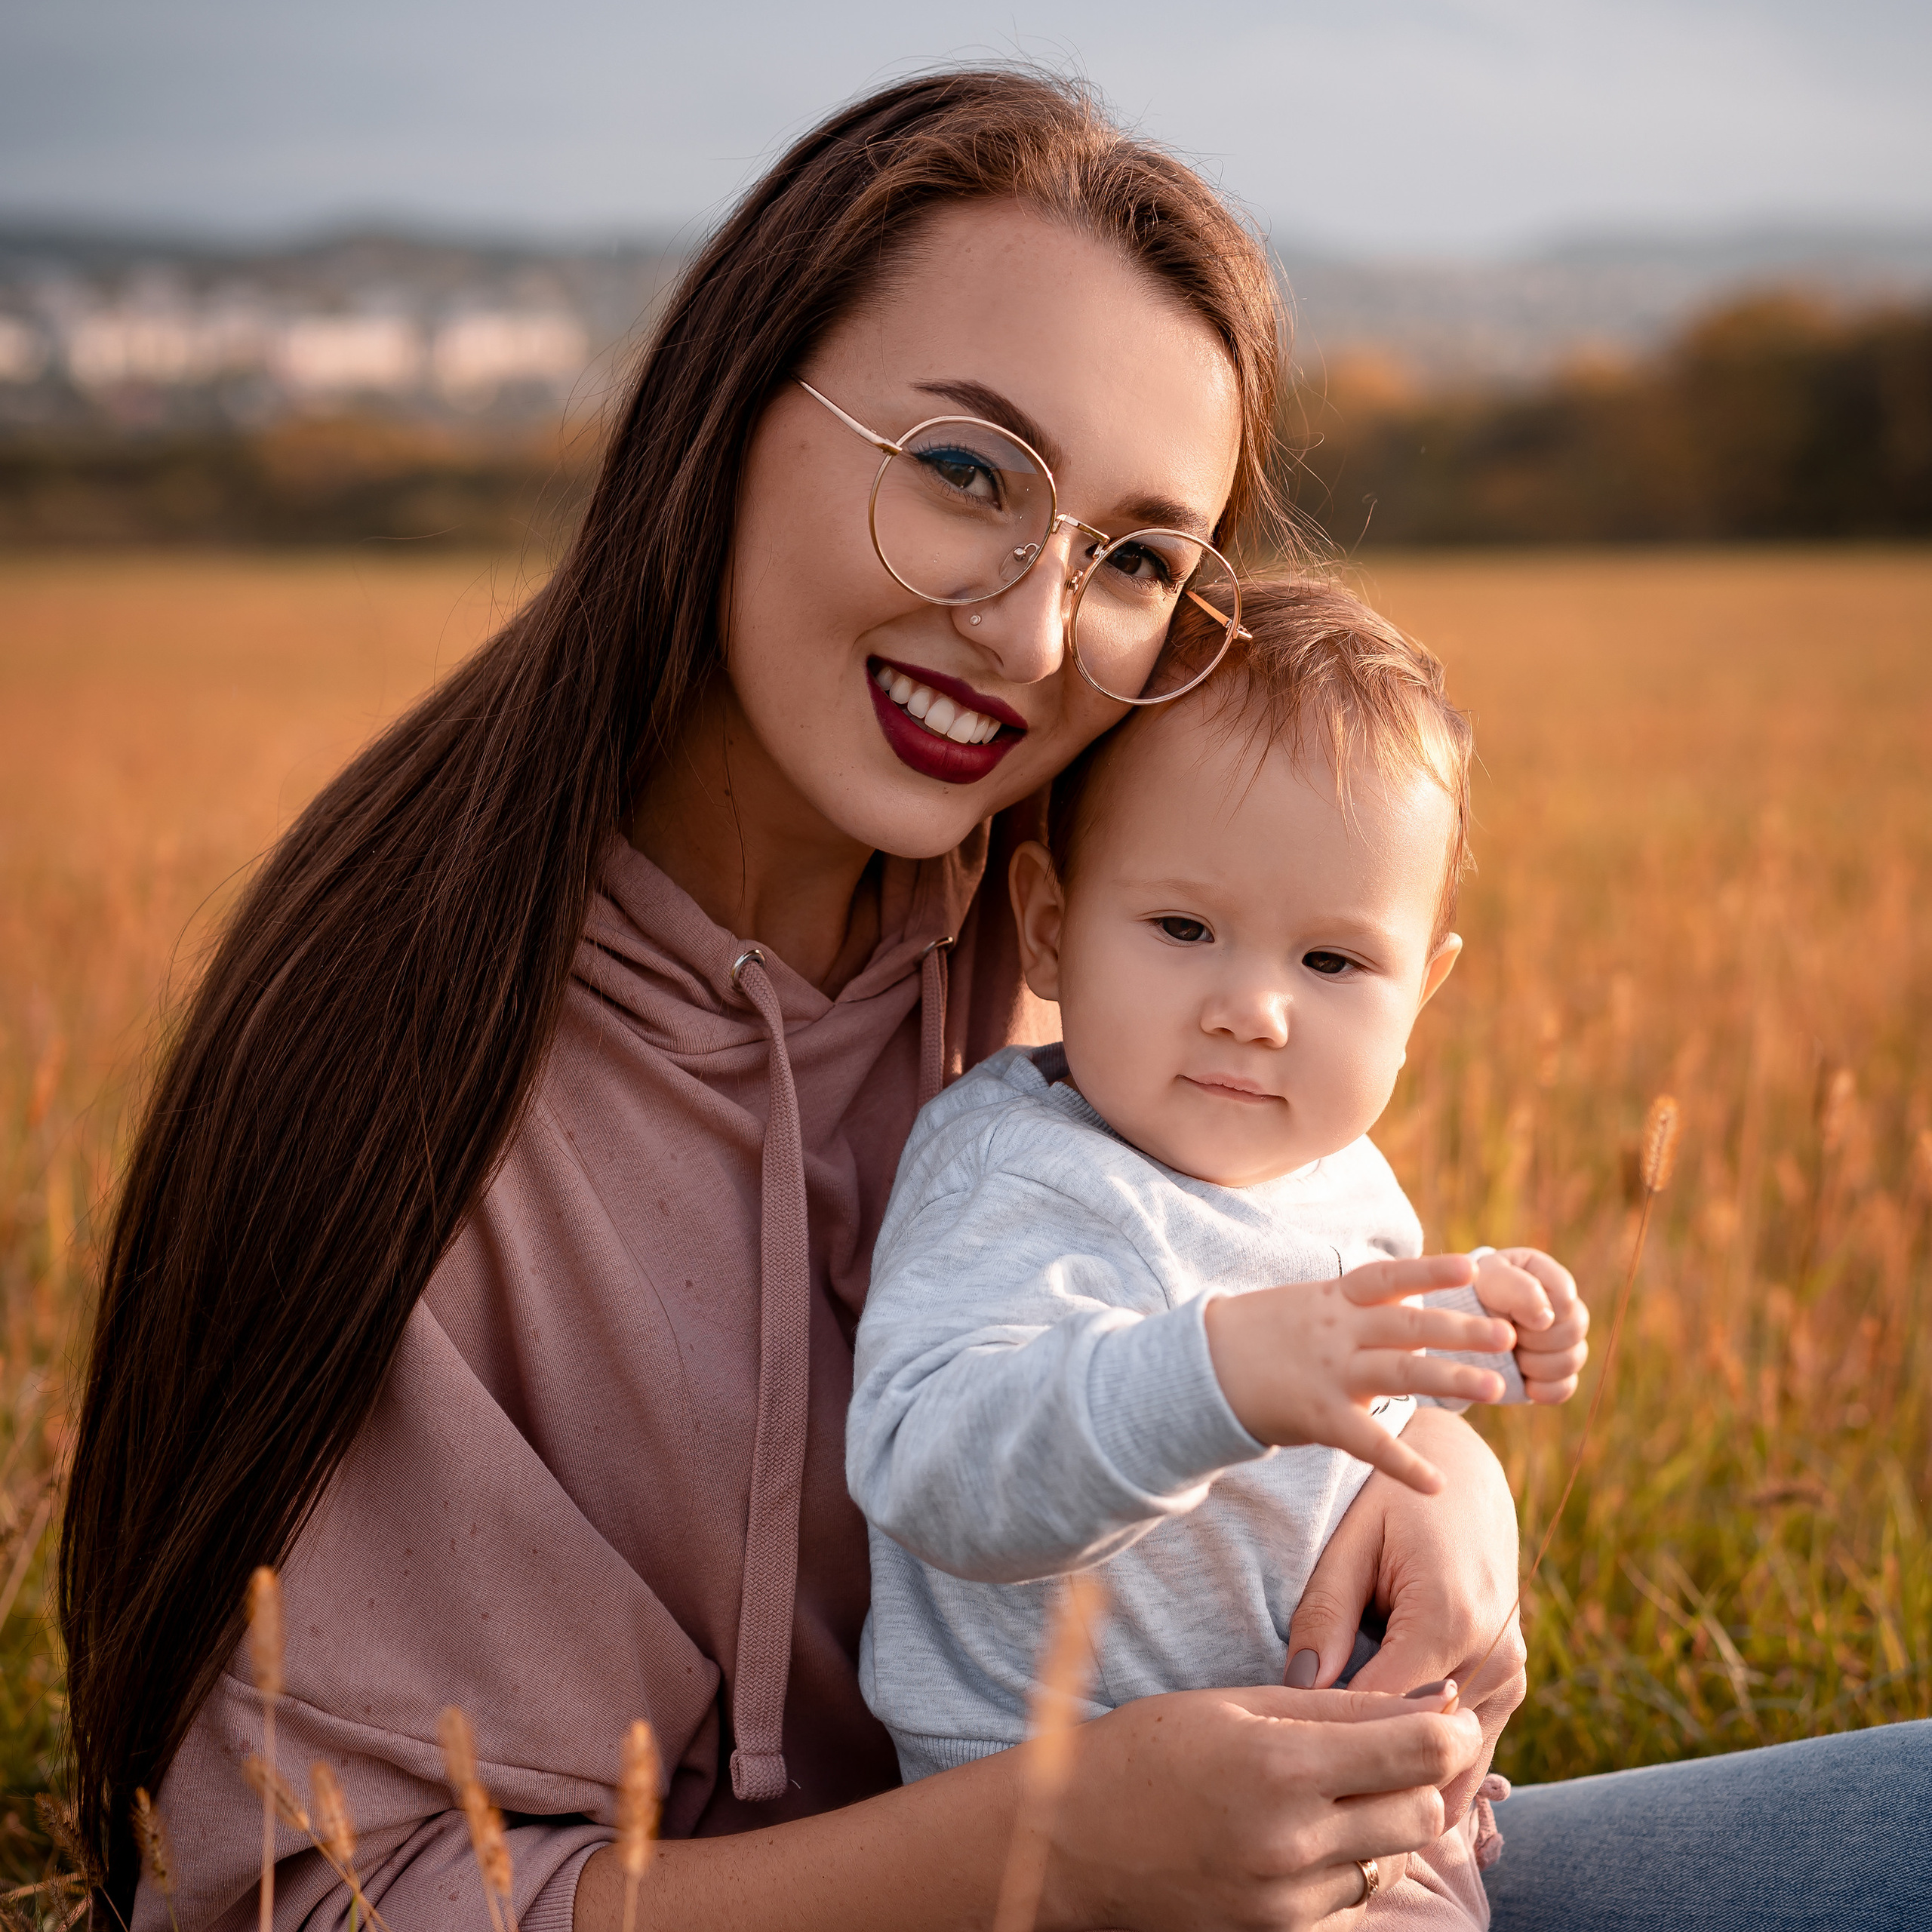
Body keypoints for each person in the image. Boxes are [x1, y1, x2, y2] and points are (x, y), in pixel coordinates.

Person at [57, 60, 1927, 1932]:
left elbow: (1210, 1293)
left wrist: (1444, 1477)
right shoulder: (403, 1058)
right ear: (728, 416)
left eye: (1131, 557)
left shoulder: (1030, 902)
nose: (1033, 634)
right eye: (961, 472)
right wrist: (1030, 1859)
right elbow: (322, 1905)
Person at [848, 580, 1590, 1923]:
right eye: (1185, 930)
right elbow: (930, 1464)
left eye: (1333, 961)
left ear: (1422, 992)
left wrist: (1473, 1339)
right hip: (1073, 1859)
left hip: (1352, 1821)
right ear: (1055, 927)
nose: (1253, 1009)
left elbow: (1367, 1443)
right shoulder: (1016, 1171)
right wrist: (1217, 1375)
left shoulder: (1342, 1186)